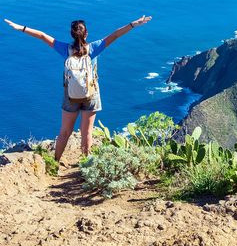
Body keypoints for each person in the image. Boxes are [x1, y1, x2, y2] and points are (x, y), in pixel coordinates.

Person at [3, 16, 152, 161]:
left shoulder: (65, 49)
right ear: (86, 33)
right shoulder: (94, 48)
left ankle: (55, 163)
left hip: (70, 96)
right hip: (91, 95)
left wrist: (20, 27)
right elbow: (115, 35)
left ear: (72, 35)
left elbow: (42, 36)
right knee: (87, 132)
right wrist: (134, 24)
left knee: (65, 132)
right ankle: (86, 166)